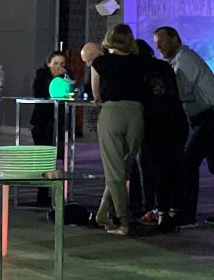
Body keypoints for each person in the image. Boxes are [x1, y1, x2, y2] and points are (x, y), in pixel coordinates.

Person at [151, 26, 214, 227]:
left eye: (161, 41)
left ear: (175, 39)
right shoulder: (180, 59)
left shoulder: (185, 60)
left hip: (207, 116)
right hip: (203, 117)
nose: (158, 46)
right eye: (156, 43)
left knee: (187, 162)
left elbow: (179, 92)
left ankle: (187, 215)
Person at [91, 24, 147, 236]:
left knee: (114, 170)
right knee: (124, 168)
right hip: (136, 113)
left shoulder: (100, 62)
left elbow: (97, 96)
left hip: (112, 113)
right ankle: (102, 213)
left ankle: (123, 221)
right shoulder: (140, 62)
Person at [135, 39, 188, 231]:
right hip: (176, 119)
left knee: (154, 168)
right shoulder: (164, 66)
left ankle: (158, 211)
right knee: (175, 166)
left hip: (154, 122)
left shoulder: (138, 69)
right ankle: (175, 211)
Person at [31, 51, 69, 205]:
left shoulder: (66, 75)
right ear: (48, 63)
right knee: (43, 158)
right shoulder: (41, 75)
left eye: (62, 64)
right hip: (42, 121)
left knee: (56, 158)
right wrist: (54, 79)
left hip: (58, 122)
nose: (59, 67)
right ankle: (42, 194)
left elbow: (70, 92)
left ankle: (57, 193)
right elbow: (39, 92)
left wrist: (64, 78)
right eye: (55, 63)